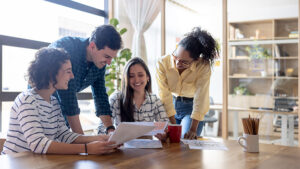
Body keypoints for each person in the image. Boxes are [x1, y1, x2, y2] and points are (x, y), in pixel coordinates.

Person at [2, 48, 118, 155]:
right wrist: (87, 148)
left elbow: (63, 135)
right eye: (68, 71)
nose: (72, 76)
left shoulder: (53, 102)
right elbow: (38, 144)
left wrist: (99, 138)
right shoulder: (27, 100)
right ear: (52, 74)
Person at [48, 25, 122, 134]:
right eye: (107, 56)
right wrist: (84, 142)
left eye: (111, 58)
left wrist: (110, 129)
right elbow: (69, 99)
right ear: (92, 46)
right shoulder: (67, 49)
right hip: (43, 108)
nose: (109, 62)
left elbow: (100, 95)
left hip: (62, 120)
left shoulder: (99, 62)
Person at [156, 27, 219, 140]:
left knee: (187, 143)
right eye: (176, 57)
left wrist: (193, 129)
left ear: (196, 60)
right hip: (170, 104)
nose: (177, 63)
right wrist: (173, 125)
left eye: (184, 62)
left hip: (191, 108)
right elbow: (164, 95)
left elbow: (201, 97)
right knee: (169, 142)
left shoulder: (202, 66)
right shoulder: (163, 63)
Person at [99, 57, 168, 140]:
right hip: (123, 149)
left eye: (140, 75)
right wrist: (111, 133)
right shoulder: (116, 99)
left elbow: (165, 127)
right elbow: (101, 129)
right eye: (131, 76)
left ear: (148, 77)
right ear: (126, 79)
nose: (136, 80)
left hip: (148, 150)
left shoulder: (155, 100)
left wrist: (164, 134)